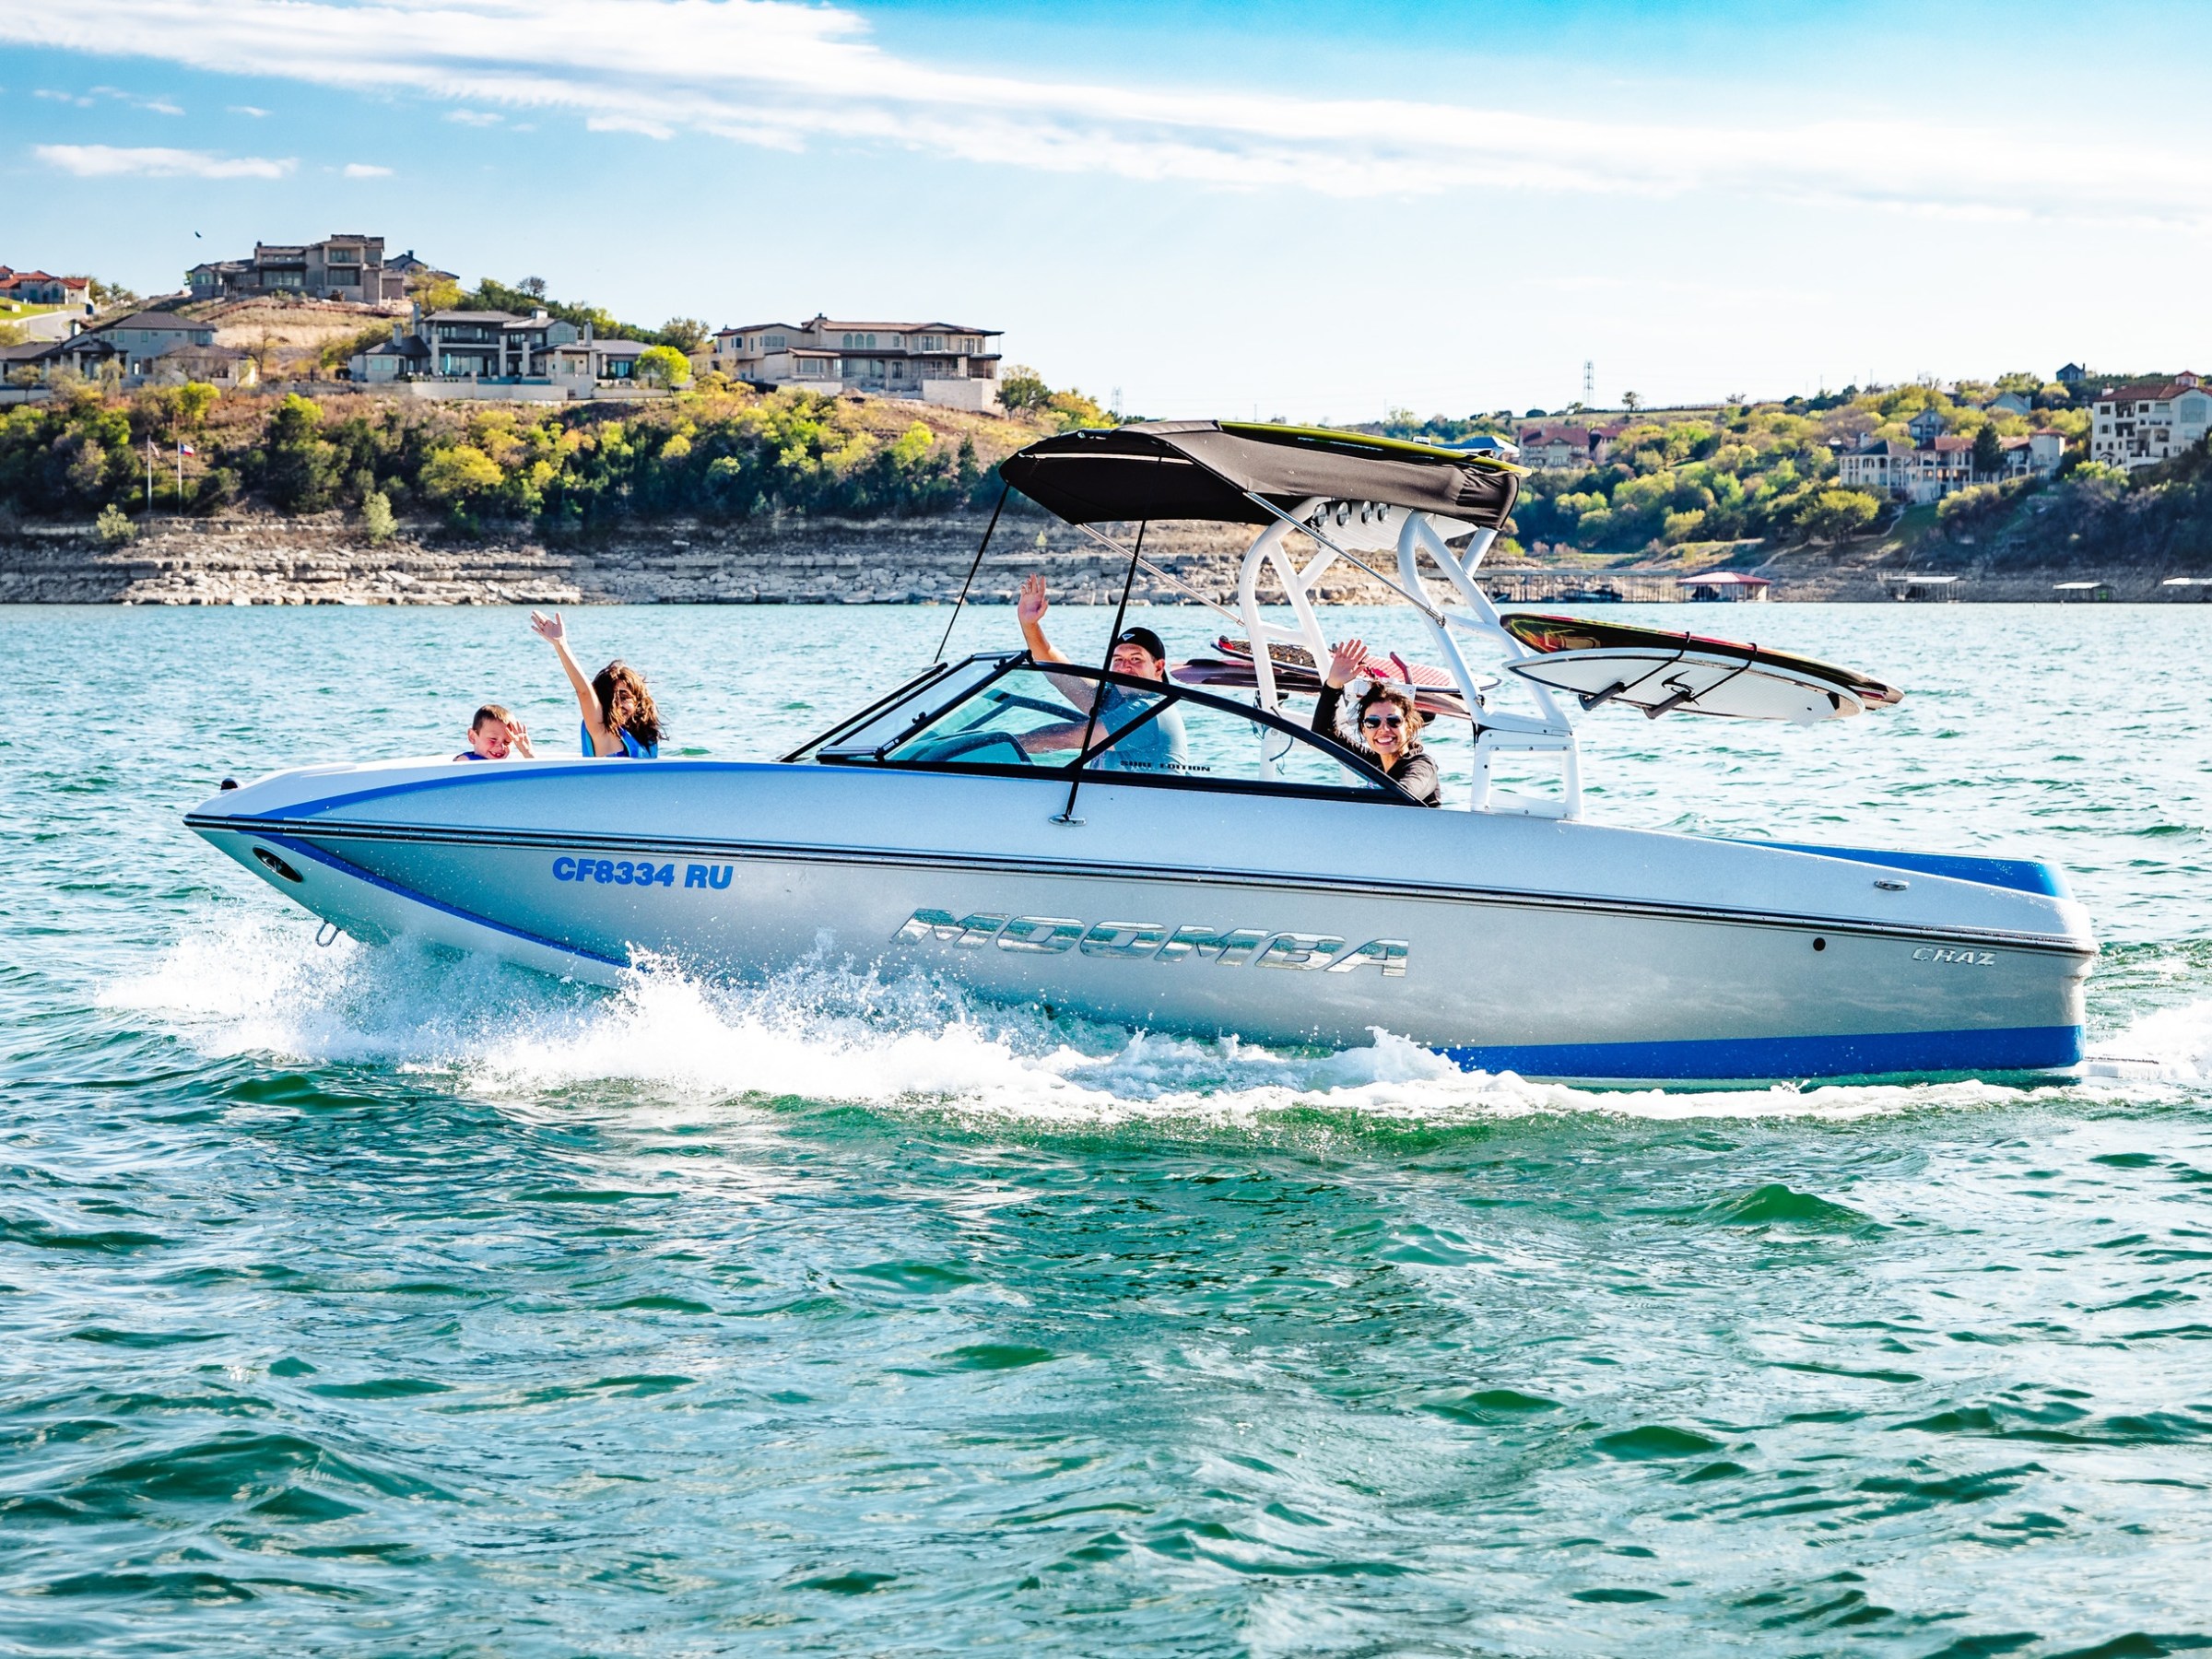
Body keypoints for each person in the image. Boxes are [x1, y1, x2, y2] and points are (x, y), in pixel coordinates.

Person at [1011, 573, 1189, 774]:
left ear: (1158, 668)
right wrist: (1030, 626)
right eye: (1118, 660)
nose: (1124, 667)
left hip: (1143, 804)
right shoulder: (1118, 700)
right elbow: (1061, 676)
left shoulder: (1148, 712)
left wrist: (1003, 744)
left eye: (1136, 659)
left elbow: (1067, 736)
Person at [1314, 638, 1442, 806]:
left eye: (1393, 721)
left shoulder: (1421, 765)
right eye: (1373, 722)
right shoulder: (1376, 762)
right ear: (1363, 729)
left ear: (1409, 727)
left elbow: (1403, 795)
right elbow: (1323, 734)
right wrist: (1333, 684)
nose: (1383, 728)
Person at [529, 610, 662, 758]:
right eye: (609, 698)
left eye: (624, 697)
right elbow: (584, 693)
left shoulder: (645, 738)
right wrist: (561, 645)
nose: (617, 704)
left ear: (637, 701)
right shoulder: (602, 732)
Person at [453, 704, 534, 762]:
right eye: (493, 739)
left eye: (507, 742)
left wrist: (527, 752)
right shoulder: (465, 761)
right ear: (472, 737)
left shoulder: (506, 765)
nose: (501, 747)